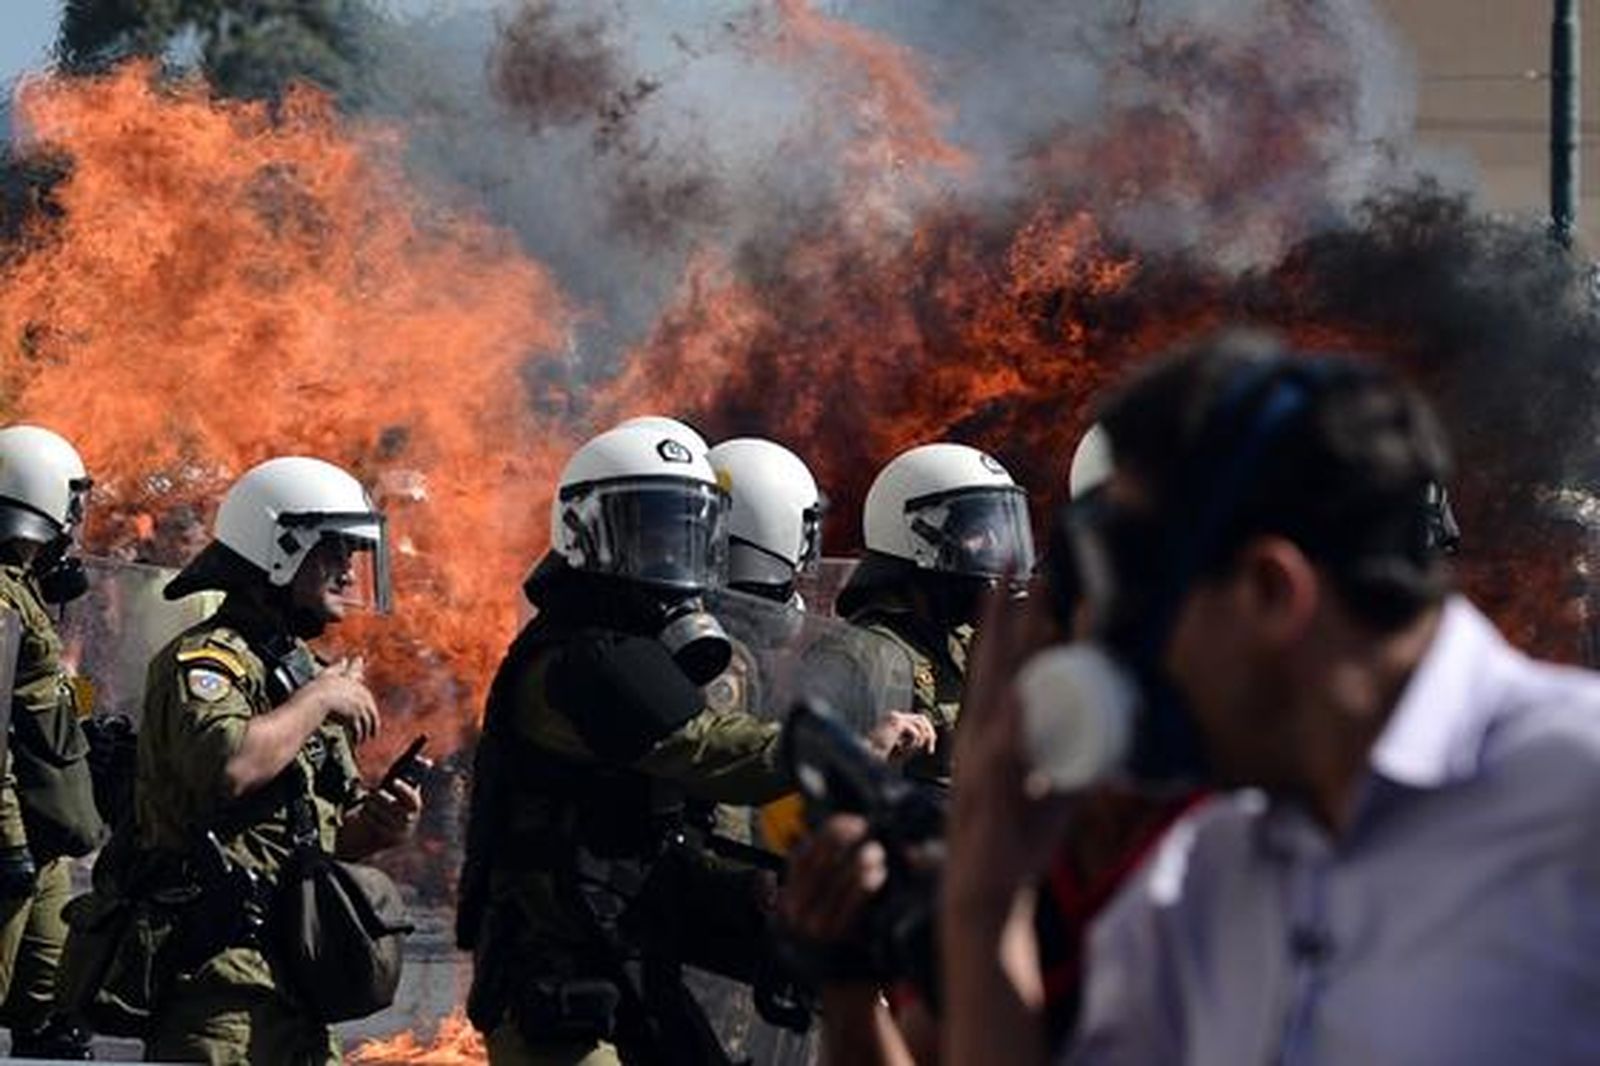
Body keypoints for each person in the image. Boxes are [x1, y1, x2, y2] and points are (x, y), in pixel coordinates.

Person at [944, 331, 1594, 1065]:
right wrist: (985, 911)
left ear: (1270, 591)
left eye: (1138, 603)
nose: (1107, 649)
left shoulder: (1578, 793)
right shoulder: (1202, 876)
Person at [456, 423, 931, 1066]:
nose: (670, 553)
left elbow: (664, 833)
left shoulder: (632, 652)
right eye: (650, 531)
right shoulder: (575, 661)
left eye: (687, 531)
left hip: (629, 953)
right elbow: (705, 748)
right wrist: (841, 750)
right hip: (552, 980)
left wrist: (761, 901)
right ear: (585, 532)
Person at [127, 456, 422, 1064]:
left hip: (299, 974)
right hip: (220, 990)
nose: (348, 568)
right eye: (332, 549)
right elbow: (229, 766)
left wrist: (379, 825)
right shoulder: (207, 661)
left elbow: (322, 833)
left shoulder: (301, 671)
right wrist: (317, 701)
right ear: (280, 550)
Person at [837, 443, 1035, 785]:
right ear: (915, 539)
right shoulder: (862, 656)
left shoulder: (968, 640)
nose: (995, 545)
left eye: (1000, 529)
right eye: (976, 531)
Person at [0, 426, 101, 1058]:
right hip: (11, 835)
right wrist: (7, 840)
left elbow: (47, 688)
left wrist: (92, 717)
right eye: (72, 503)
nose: (77, 521)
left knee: (51, 1002)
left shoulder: (25, 590)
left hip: (44, 837)